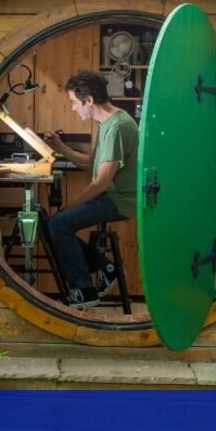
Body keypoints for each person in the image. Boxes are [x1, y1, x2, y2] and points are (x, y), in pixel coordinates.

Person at [43, 70, 139, 309]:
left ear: (89, 101)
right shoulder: (104, 123)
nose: (73, 108)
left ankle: (85, 291)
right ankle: (106, 268)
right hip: (109, 195)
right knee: (54, 222)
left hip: (120, 200)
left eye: (75, 103)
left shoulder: (119, 126)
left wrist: (70, 206)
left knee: (57, 223)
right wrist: (60, 147)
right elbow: (92, 163)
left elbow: (102, 182)